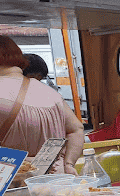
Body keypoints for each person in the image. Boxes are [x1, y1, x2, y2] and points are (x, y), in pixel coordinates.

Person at [0, 36, 83, 174]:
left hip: (11, 187)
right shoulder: (51, 93)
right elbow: (76, 129)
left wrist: (26, 162)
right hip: (55, 185)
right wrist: (68, 164)